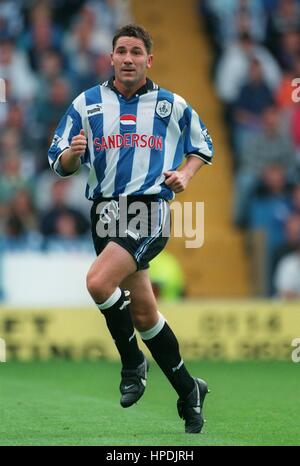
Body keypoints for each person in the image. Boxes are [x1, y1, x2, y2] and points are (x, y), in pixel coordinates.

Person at [48, 24, 213, 434]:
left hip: (147, 209)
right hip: (104, 214)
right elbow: (58, 160)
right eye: (121, 50)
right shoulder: (86, 104)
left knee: (98, 283)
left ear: (148, 60)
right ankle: (189, 390)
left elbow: (202, 146)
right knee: (143, 313)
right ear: (110, 57)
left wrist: (185, 176)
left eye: (136, 52)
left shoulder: (170, 105)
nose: (127, 58)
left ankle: (132, 363)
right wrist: (72, 154)